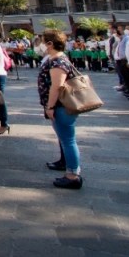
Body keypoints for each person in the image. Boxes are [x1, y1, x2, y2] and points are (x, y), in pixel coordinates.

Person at [36, 29, 83, 189]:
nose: (41, 45)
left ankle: (73, 176)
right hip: (59, 106)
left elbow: (57, 86)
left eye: (43, 41)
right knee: (65, 139)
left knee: (68, 140)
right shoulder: (55, 59)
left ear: (50, 43)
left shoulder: (58, 62)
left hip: (61, 106)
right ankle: (68, 167)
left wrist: (50, 106)